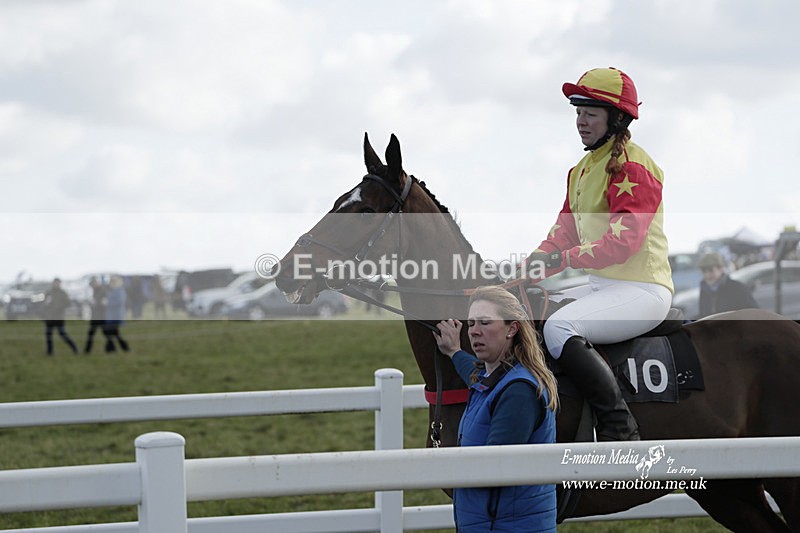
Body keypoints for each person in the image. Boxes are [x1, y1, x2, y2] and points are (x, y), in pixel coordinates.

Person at [523, 67, 673, 441]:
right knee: (538, 311)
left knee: (561, 326)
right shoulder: (581, 170)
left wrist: (567, 259)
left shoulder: (634, 166)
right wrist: (525, 270)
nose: (580, 121)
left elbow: (623, 242)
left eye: (590, 113)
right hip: (603, 288)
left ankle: (619, 426)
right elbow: (562, 233)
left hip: (642, 290)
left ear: (616, 118)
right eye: (577, 112)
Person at [434, 286, 558, 533]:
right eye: (471, 324)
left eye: (485, 322)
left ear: (512, 328)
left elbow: (493, 467)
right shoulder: (492, 378)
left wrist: (436, 467)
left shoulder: (519, 391)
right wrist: (454, 352)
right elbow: (474, 373)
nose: (474, 331)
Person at [697, 252, 758, 317]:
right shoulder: (704, 290)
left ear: (721, 269)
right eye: (704, 271)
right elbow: (703, 315)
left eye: (711, 270)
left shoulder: (737, 288)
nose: (707, 275)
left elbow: (753, 313)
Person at [43, 278, 78, 355]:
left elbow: (68, 303)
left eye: (58, 283)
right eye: (55, 283)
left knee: (62, 334)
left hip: (59, 317)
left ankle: (74, 347)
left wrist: (60, 307)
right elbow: (44, 304)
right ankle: (49, 352)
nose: (56, 284)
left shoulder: (63, 293)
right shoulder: (49, 292)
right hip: (50, 317)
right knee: (48, 334)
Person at [104, 275, 130, 353]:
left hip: (116, 315)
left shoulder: (120, 291)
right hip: (111, 315)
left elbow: (119, 302)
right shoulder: (112, 290)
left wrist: (108, 303)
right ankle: (122, 348)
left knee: (109, 331)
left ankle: (111, 349)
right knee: (114, 333)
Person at [83, 277, 110, 353]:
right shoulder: (94, 291)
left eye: (93, 284)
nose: (92, 286)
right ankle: (87, 350)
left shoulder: (103, 291)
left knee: (106, 334)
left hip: (101, 316)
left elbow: (105, 303)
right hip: (95, 316)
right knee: (91, 334)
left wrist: (96, 303)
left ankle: (111, 348)